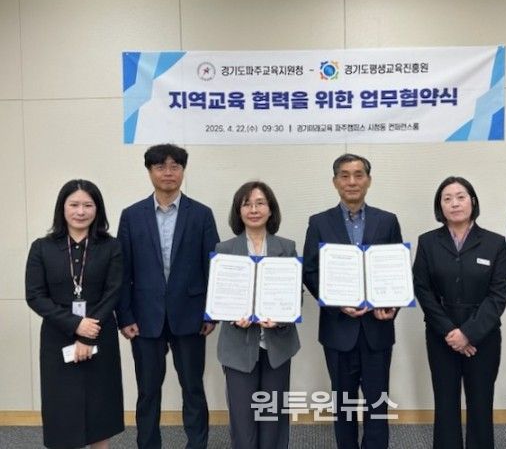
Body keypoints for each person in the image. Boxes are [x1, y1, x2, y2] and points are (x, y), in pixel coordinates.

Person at [116, 144, 219, 449]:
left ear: (183, 171)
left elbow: (212, 266)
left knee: (193, 388)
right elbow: (122, 271)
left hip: (190, 316)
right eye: (160, 167)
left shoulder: (201, 214)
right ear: (150, 171)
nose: (168, 173)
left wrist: (211, 312)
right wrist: (125, 316)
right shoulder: (132, 215)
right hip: (144, 318)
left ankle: (197, 445)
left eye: (175, 166)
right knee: (148, 391)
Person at [303, 153, 402, 449]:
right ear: (335, 182)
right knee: (343, 405)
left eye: (359, 175)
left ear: (369, 180)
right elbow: (310, 270)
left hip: (377, 328)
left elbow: (397, 270)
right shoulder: (319, 222)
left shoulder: (387, 221)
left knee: (377, 404)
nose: (352, 181)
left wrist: (390, 306)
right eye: (344, 175)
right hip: (337, 329)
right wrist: (335, 302)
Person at [412, 176, 506, 449]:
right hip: (441, 335)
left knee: (481, 402)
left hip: (483, 336)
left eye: (461, 197)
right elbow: (422, 289)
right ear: (440, 206)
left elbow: (498, 295)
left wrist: (468, 333)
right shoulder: (428, 242)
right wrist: (451, 332)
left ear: (472, 201)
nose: (454, 203)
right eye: (447, 198)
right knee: (445, 402)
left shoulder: (495, 243)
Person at [25, 179, 124, 449]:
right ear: (63, 208)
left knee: (100, 407)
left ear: (97, 209)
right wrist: (76, 325)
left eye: (88, 205)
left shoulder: (111, 246)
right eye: (74, 205)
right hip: (58, 336)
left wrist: (88, 334)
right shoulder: (42, 247)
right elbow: (35, 295)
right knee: (61, 408)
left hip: (100, 334)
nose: (81, 211)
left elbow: (113, 292)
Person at [215, 181, 301, 449]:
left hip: (278, 345)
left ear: (271, 209)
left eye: (260, 203)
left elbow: (294, 295)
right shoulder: (224, 249)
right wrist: (231, 315)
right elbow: (219, 295)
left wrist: (281, 317)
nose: (254, 209)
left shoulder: (287, 247)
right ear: (238, 211)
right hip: (237, 346)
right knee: (243, 421)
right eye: (247, 204)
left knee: (272, 417)